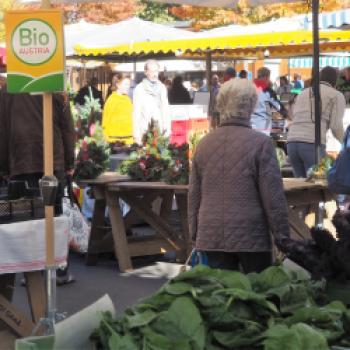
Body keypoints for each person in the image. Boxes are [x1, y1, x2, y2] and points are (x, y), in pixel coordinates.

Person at [189, 78, 290, 272]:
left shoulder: (204, 144)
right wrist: (282, 238)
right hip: (251, 234)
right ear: (252, 105)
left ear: (221, 105)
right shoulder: (261, 144)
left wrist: (195, 232)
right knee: (256, 294)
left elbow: (194, 195)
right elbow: (273, 197)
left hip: (211, 233)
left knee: (220, 296)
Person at [0, 90, 76, 285]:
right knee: (55, 216)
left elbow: (2, 129)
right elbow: (68, 127)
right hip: (53, 159)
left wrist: (4, 166)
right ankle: (59, 270)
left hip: (21, 160)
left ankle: (32, 273)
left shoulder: (10, 88)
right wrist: (69, 162)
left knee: (29, 218)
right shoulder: (54, 85)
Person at [287, 66, 346, 178]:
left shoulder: (303, 93)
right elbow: (336, 126)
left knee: (300, 187)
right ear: (335, 81)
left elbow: (294, 116)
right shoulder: (336, 95)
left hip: (291, 143)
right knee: (317, 185)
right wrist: (346, 143)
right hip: (312, 143)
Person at [132, 60, 170, 144]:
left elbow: (166, 110)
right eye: (151, 71)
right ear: (146, 72)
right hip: (145, 131)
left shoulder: (162, 88)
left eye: (156, 71)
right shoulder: (140, 89)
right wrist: (136, 134)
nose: (154, 74)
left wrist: (167, 129)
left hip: (160, 132)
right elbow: (136, 112)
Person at [251, 67, 286, 135]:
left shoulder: (249, 88)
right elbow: (278, 107)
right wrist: (287, 115)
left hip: (250, 126)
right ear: (267, 77)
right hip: (263, 127)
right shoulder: (267, 91)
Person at [102, 73, 134, 145]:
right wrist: (106, 139)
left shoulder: (128, 99)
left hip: (128, 140)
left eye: (129, 84)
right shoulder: (111, 100)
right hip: (114, 141)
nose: (128, 87)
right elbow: (105, 121)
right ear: (118, 84)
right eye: (126, 84)